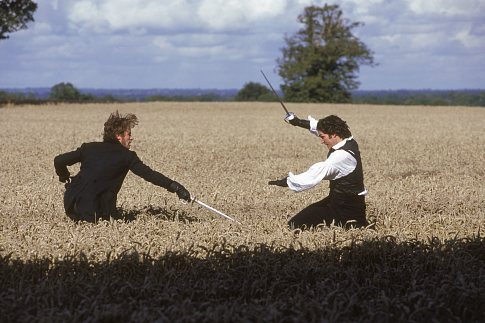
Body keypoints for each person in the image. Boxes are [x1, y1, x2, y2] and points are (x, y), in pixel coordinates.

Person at [54, 110, 191, 222]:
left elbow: (59, 160)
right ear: (118, 136)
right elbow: (149, 175)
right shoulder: (127, 156)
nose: (131, 138)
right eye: (129, 134)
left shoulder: (88, 148)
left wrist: (64, 177)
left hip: (71, 204)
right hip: (95, 212)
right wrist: (176, 187)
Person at [269, 113, 368, 230]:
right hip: (337, 201)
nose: (322, 141)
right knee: (297, 224)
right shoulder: (347, 139)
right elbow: (319, 127)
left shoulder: (341, 156)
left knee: (296, 226)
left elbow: (316, 173)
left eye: (323, 137)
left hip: (346, 207)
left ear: (334, 135)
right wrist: (298, 122)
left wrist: (288, 181)